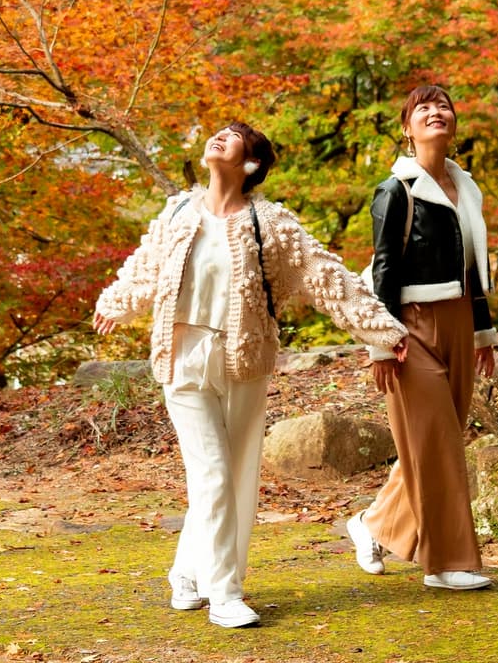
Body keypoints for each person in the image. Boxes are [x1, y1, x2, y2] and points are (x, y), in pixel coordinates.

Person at [93, 122, 408, 628]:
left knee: (233, 476)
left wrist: (382, 330)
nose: (218, 137)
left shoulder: (271, 224)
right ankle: (225, 593)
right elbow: (145, 268)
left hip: (245, 359)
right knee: (212, 472)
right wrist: (115, 302)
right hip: (183, 356)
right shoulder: (177, 211)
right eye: (215, 132)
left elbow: (326, 278)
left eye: (232, 136)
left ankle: (187, 574)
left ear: (251, 164)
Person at [347, 85, 497, 591]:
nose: (436, 112)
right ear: (408, 129)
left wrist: (483, 332)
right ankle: (446, 562)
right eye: (422, 109)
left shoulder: (467, 187)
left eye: (444, 105)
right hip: (409, 327)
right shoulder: (396, 190)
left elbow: (476, 268)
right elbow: (383, 269)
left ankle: (373, 524)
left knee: (439, 440)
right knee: (437, 443)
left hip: (458, 321)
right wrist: (379, 344)